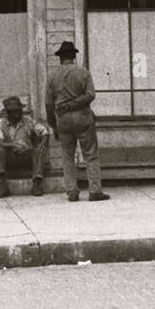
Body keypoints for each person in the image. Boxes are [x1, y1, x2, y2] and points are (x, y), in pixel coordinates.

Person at [46, 40, 109, 202]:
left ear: (60, 58)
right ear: (74, 56)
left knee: (67, 157)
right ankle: (95, 191)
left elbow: (48, 103)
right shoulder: (84, 72)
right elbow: (90, 95)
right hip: (83, 118)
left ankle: (72, 192)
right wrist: (73, 104)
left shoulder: (52, 76)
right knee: (90, 155)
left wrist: (53, 124)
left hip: (63, 121)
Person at [0, 96, 50, 198]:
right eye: (15, 111)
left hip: (27, 155)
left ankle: (37, 183)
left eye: (19, 110)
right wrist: (12, 145)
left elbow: (44, 131)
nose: (19, 113)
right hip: (11, 157)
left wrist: (43, 142)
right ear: (8, 113)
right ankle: (3, 184)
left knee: (39, 150)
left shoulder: (28, 120)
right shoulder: (0, 124)